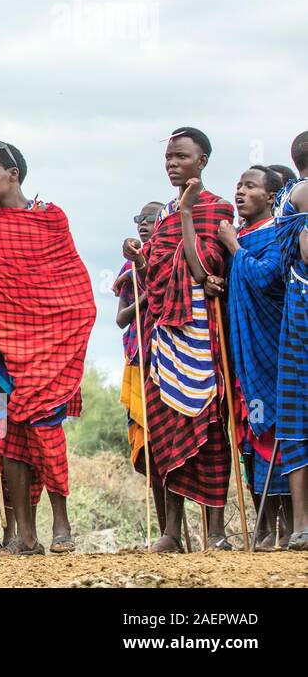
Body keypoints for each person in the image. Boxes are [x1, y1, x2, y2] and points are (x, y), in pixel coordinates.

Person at [0, 141, 95, 555]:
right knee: (8, 438)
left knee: (47, 430)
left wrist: (64, 330)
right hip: (1, 344)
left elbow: (70, 282)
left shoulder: (51, 219)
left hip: (51, 346)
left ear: (13, 174)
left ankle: (62, 527)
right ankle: (26, 536)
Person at [123, 127, 234, 551]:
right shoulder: (165, 213)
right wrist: (140, 258)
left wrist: (188, 215)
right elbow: (154, 274)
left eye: (181, 157)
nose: (172, 163)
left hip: (202, 335)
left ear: (202, 161)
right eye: (168, 157)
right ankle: (172, 532)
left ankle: (217, 531)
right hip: (163, 336)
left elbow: (204, 267)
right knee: (166, 431)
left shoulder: (215, 208)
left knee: (208, 428)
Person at [219, 165, 288, 548]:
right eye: (239, 185)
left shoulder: (277, 234)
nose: (241, 192)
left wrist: (233, 247)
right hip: (242, 352)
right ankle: (262, 525)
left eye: (250, 186)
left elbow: (265, 277)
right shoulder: (240, 236)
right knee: (249, 435)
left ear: (271, 197)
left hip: (272, 348)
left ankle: (287, 524)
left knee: (279, 433)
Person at [116, 199, 165, 526]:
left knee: (167, 441)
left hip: (171, 358)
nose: (143, 224)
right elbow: (121, 318)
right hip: (138, 358)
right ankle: (164, 527)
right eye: (139, 219)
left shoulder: (169, 259)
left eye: (150, 218)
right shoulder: (128, 270)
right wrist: (148, 294)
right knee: (147, 444)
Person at [270, 131, 308, 549]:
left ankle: (301, 526)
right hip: (306, 304)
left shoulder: (287, 194)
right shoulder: (306, 193)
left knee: (298, 414)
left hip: (295, 310)